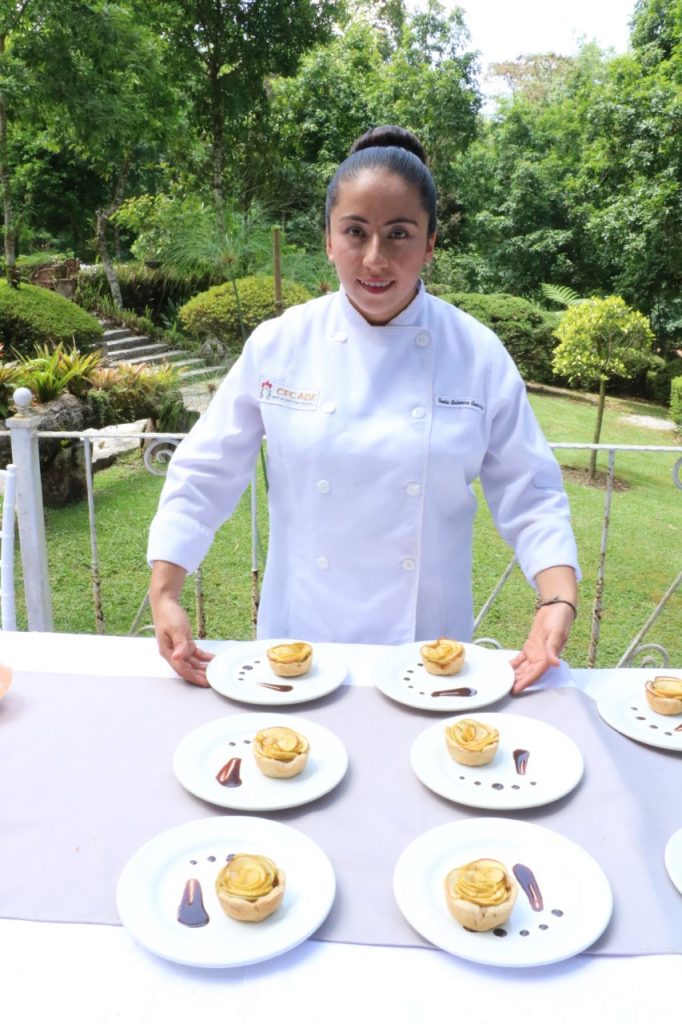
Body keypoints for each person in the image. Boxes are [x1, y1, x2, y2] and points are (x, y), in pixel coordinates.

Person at [147, 125, 579, 693]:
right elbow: (206, 470)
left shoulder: (476, 353)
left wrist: (557, 599)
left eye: (399, 234)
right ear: (329, 239)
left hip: (430, 650)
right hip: (298, 642)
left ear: (430, 243)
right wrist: (165, 591)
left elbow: (532, 492)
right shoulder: (280, 344)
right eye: (355, 232)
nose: (375, 259)